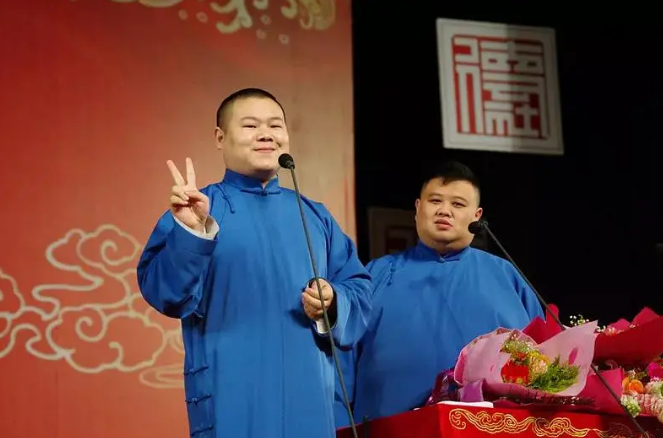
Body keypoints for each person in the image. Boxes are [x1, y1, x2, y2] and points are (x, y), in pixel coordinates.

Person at [137, 88, 373, 438]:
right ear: (220, 137)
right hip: (231, 394)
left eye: (275, 125)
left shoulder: (314, 215)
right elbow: (166, 294)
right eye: (250, 126)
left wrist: (333, 300)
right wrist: (191, 234)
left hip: (308, 400)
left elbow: (359, 288)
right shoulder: (199, 208)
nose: (266, 134)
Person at [334, 161, 544, 427]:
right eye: (435, 201)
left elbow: (543, 364)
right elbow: (340, 364)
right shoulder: (374, 275)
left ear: (477, 216)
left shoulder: (507, 277)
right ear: (417, 208)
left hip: (492, 429)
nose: (445, 210)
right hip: (388, 428)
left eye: (458, 204)